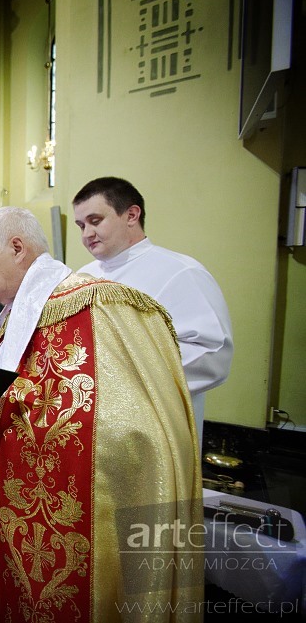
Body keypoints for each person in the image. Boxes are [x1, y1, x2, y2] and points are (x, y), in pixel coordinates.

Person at [0, 207, 202, 621]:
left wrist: (10, 414)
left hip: (81, 531)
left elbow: (127, 427)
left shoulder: (97, 305)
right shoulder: (2, 324)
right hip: (2, 521)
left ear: (17, 247)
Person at [72, 176, 233, 447]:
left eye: (95, 221)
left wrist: (119, 381)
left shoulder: (181, 272)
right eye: (81, 225)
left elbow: (212, 354)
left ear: (132, 215)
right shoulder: (82, 277)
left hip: (157, 431)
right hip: (92, 424)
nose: (86, 233)